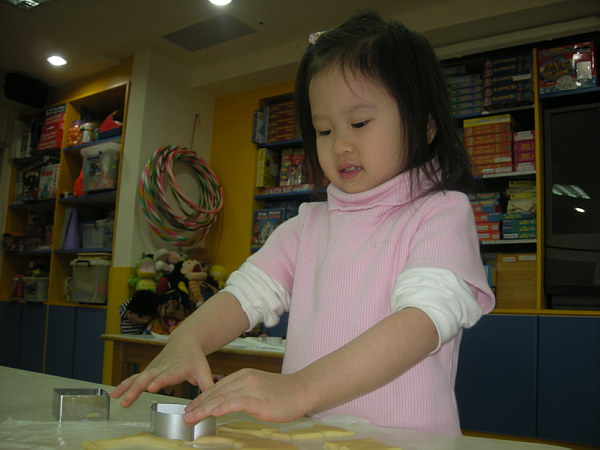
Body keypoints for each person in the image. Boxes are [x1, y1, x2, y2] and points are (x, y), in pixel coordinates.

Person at [111, 11, 495, 435]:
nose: (340, 145)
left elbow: (423, 321)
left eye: (360, 123)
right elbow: (244, 295)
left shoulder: (440, 213)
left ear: (424, 126)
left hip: (406, 441)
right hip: (313, 438)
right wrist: (187, 338)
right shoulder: (307, 225)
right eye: (324, 130)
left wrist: (300, 389)